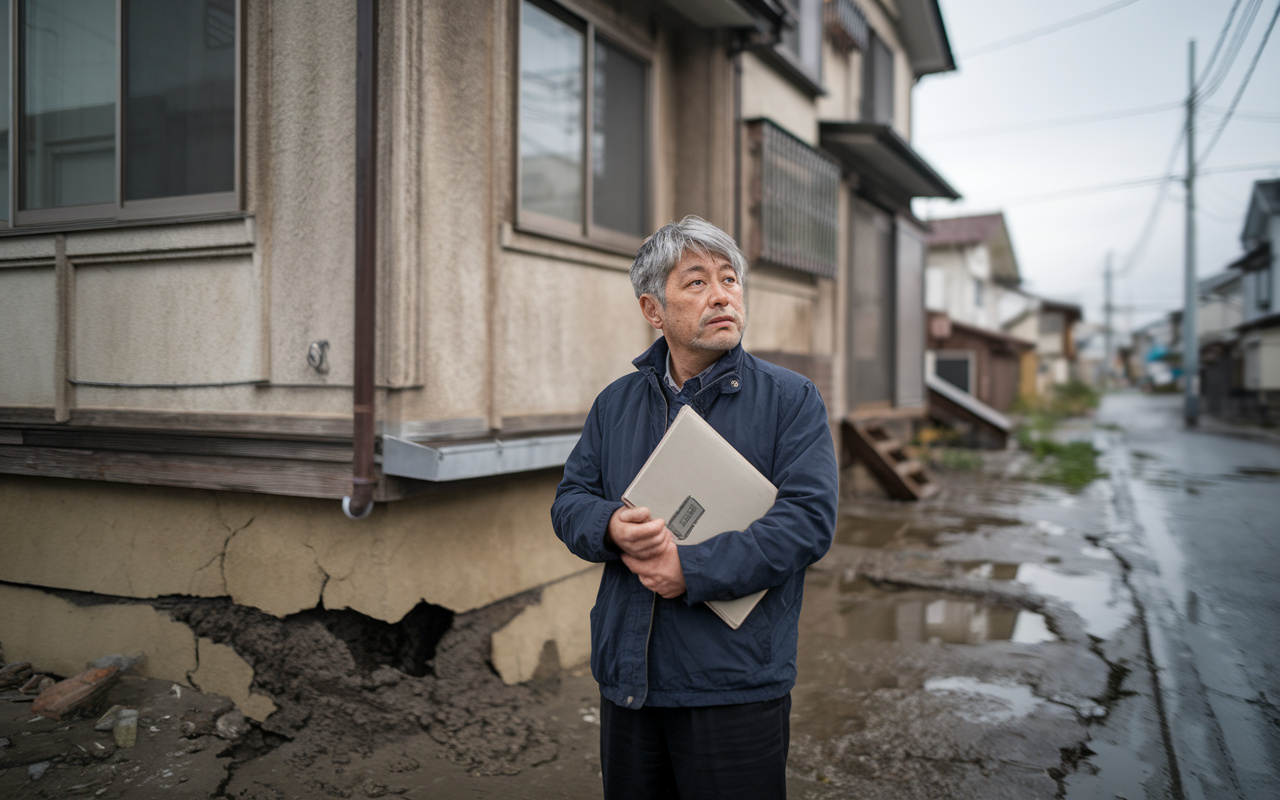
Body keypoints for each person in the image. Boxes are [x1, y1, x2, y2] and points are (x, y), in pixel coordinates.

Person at [551, 215, 838, 799]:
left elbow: (808, 520)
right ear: (652, 310)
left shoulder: (790, 399)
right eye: (697, 282)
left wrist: (693, 568)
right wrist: (609, 524)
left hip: (735, 682)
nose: (722, 295)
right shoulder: (616, 403)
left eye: (730, 280)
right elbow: (569, 501)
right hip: (629, 678)